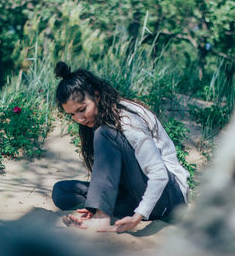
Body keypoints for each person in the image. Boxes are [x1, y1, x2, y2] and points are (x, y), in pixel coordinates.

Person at [51, 61, 189, 232]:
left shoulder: (126, 119)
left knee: (104, 132)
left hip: (168, 199)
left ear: (97, 95)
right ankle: (99, 210)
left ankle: (102, 217)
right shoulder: (96, 122)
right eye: (72, 114)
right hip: (133, 195)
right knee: (61, 192)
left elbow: (159, 174)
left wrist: (138, 216)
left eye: (82, 109)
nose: (79, 119)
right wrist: (94, 205)